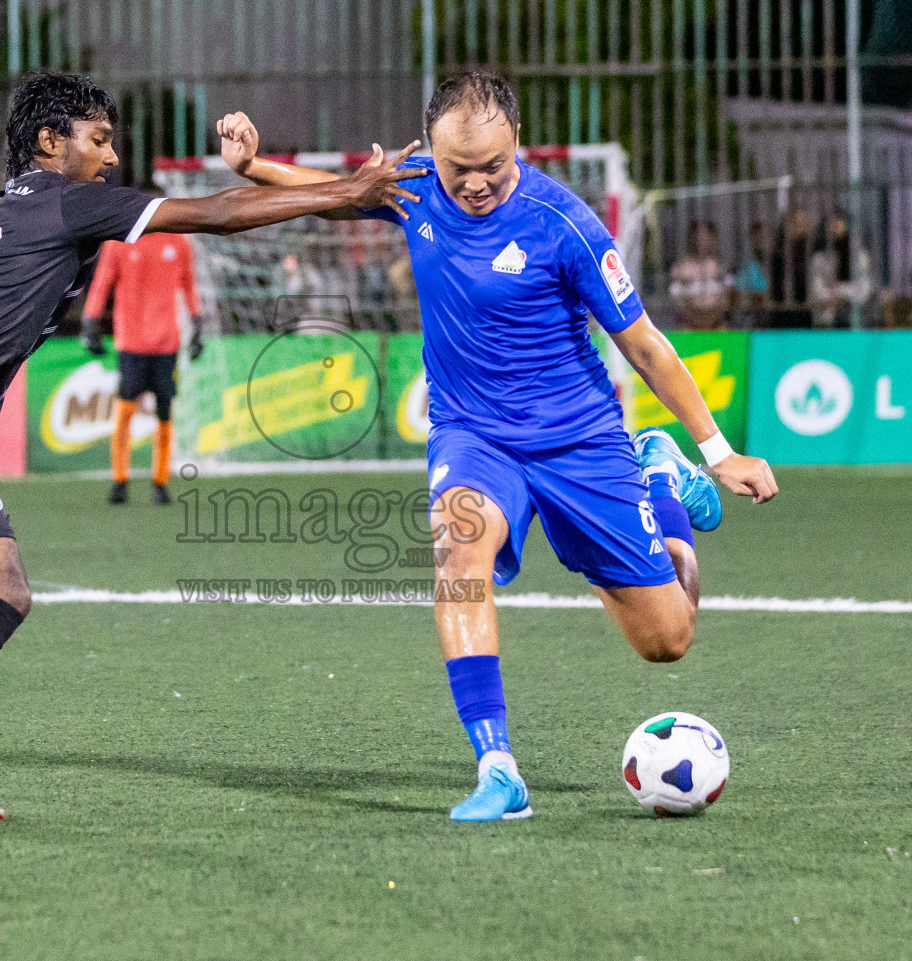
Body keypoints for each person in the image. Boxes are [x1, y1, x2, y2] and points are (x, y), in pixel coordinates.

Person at [0, 70, 422, 821]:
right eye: (99, 140)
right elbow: (220, 213)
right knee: (2, 589)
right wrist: (344, 193)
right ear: (51, 142)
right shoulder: (68, 201)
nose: (111, 159)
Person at [217, 71, 777, 823]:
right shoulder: (411, 188)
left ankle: (661, 474)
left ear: (517, 144)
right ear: (431, 154)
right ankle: (497, 767)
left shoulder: (565, 222)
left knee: (668, 641)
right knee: (457, 552)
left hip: (580, 440)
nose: (477, 184)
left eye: (494, 167)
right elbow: (331, 189)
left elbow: (643, 343)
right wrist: (253, 166)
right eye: (460, 169)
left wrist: (717, 452)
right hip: (474, 436)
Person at [80, 192, 202, 506]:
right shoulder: (119, 243)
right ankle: (120, 479)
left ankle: (160, 481)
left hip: (166, 344)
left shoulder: (178, 244)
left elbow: (189, 286)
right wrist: (90, 320)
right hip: (131, 342)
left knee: (164, 412)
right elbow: (102, 282)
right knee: (125, 410)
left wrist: (198, 324)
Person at [666, 219, 730, 329]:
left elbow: (727, 298)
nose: (702, 241)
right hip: (688, 325)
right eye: (698, 237)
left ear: (713, 238)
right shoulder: (680, 268)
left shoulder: (722, 267)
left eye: (706, 237)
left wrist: (712, 319)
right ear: (691, 239)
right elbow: (677, 301)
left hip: (718, 324)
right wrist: (695, 319)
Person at [768, 205, 814, 328]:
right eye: (798, 223)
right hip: (782, 313)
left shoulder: (810, 250)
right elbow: (775, 287)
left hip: (804, 311)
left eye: (804, 222)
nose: (803, 227)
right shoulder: (779, 254)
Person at [731, 220, 770, 328]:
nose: (761, 241)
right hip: (754, 314)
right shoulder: (748, 265)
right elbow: (739, 292)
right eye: (757, 237)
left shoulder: (782, 264)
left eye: (764, 237)